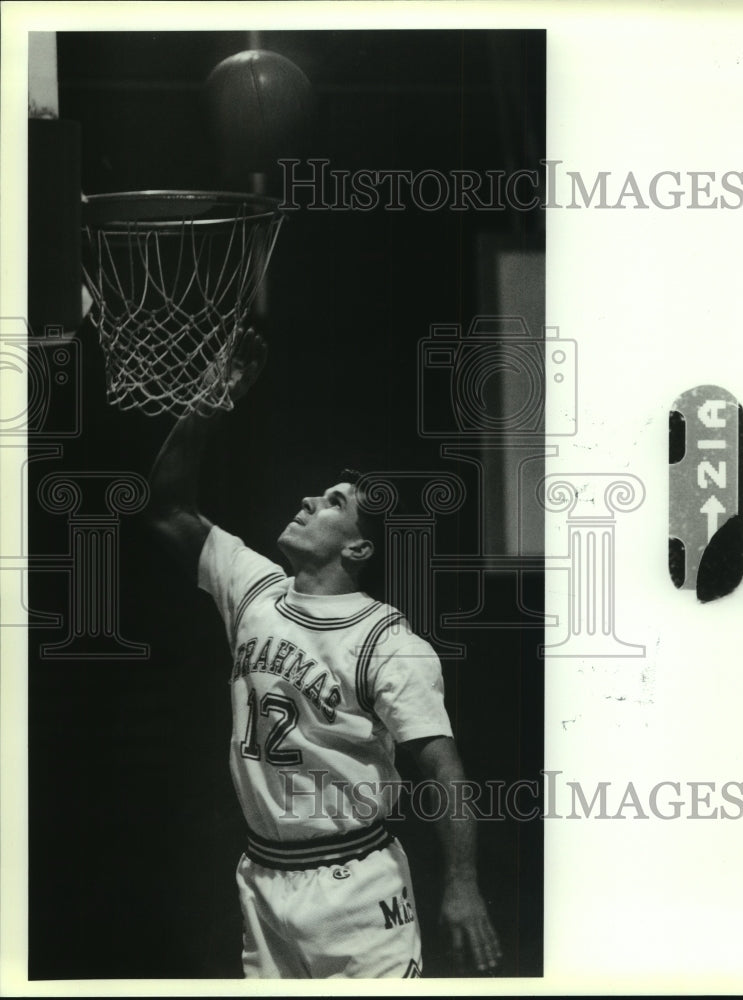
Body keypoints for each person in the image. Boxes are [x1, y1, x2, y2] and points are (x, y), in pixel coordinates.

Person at [148, 330, 501, 979]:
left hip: (357, 886)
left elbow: (444, 771)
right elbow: (166, 503)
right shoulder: (252, 585)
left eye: (335, 503)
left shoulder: (387, 643)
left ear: (359, 550)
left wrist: (461, 883)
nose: (310, 500)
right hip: (263, 878)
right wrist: (210, 397)